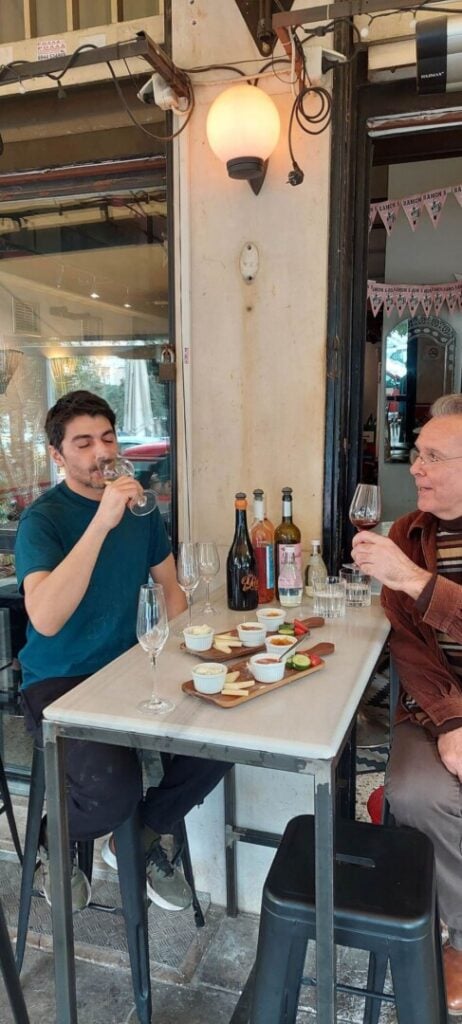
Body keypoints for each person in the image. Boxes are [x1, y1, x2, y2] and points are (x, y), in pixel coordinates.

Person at [15, 390, 229, 915]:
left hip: (135, 666)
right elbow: (44, 617)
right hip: (59, 679)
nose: (101, 452)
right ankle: (53, 839)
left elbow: (171, 589)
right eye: (83, 443)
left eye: (107, 438)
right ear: (58, 456)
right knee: (112, 791)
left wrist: (189, 650)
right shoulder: (43, 521)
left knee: (222, 735)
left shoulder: (141, 511)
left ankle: (138, 838)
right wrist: (100, 523)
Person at [352, 393, 462, 1015]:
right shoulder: (406, 533)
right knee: (419, 790)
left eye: (432, 457)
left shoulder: (408, 560)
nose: (414, 467)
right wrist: (451, 720)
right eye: (416, 454)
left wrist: (416, 581)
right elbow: (410, 647)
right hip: (434, 706)